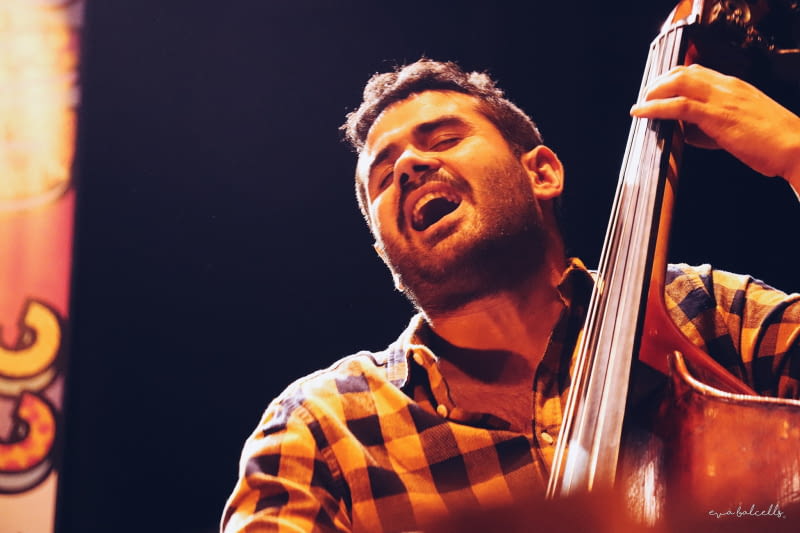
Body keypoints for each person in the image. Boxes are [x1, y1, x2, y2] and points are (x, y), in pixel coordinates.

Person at [220, 58, 800, 532]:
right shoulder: (326, 426)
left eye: (444, 138)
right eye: (382, 175)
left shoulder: (704, 310)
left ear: (542, 173)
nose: (409, 166)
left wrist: (797, 153)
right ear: (384, 248)